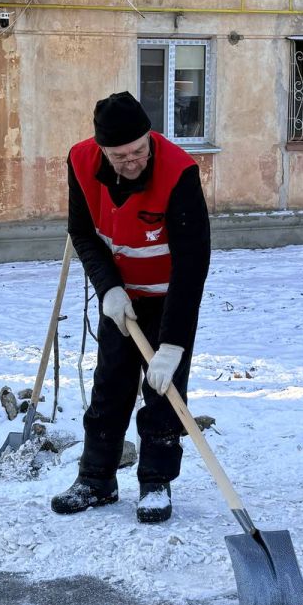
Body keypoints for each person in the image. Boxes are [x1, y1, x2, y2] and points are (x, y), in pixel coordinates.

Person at [51, 91, 210, 523]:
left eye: (140, 149)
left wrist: (173, 343)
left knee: (163, 394)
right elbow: (81, 233)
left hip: (168, 299)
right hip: (121, 299)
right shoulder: (80, 161)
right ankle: (96, 480)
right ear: (102, 148)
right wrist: (108, 289)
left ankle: (156, 484)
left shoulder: (179, 172)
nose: (133, 160)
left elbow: (193, 262)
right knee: (109, 387)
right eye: (121, 155)